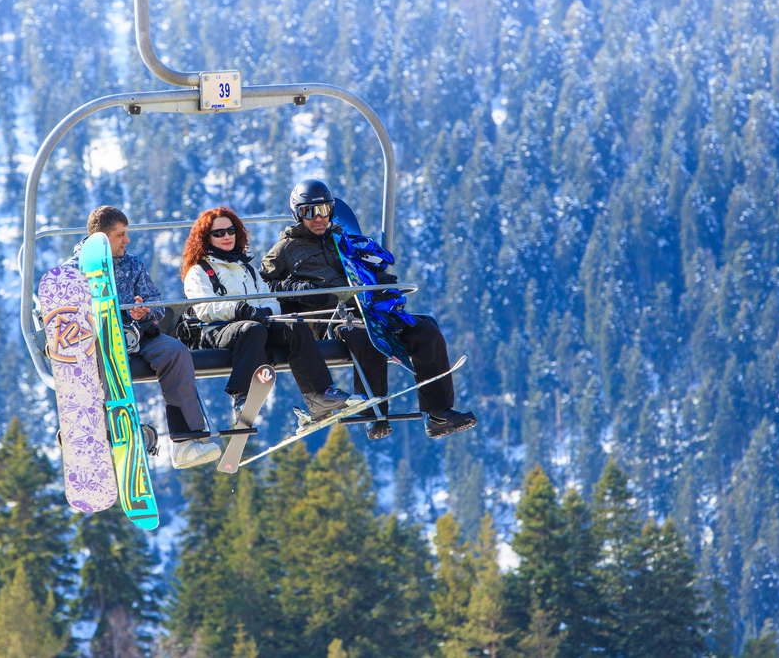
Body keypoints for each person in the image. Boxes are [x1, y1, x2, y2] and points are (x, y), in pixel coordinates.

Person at [260, 179, 477, 440]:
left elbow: (364, 270)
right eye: (310, 212)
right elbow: (266, 285)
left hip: (367, 307)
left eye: (325, 210)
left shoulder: (342, 240)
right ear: (297, 213)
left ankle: (439, 413)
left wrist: (381, 282)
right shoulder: (285, 250)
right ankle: (373, 413)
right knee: (364, 336)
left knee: (426, 330)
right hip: (328, 317)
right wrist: (298, 288)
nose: (319, 219)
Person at [63, 205, 221, 470]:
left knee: (175, 351)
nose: (127, 240)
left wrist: (145, 311)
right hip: (99, 343)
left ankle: (186, 440)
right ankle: (101, 434)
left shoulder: (132, 264)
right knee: (99, 362)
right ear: (101, 239)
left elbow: (156, 303)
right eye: (120, 235)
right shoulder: (72, 272)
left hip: (138, 336)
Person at [181, 206, 355, 424]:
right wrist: (240, 309)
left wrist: (266, 311)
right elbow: (204, 309)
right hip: (217, 330)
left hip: (255, 326)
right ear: (206, 238)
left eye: (231, 231)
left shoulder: (247, 269)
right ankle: (242, 396)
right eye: (218, 233)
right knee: (252, 329)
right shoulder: (199, 271)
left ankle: (318, 394)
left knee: (295, 325)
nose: (227, 236)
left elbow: (269, 299)